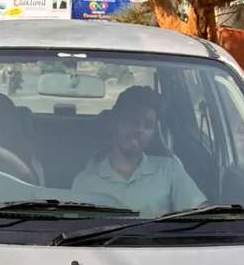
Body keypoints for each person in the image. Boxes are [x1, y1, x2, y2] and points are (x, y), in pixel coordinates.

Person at [71, 86, 205, 215]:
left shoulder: (169, 169)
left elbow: (202, 217)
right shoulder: (86, 180)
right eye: (132, 121)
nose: (140, 129)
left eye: (148, 124)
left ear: (154, 133)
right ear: (115, 123)